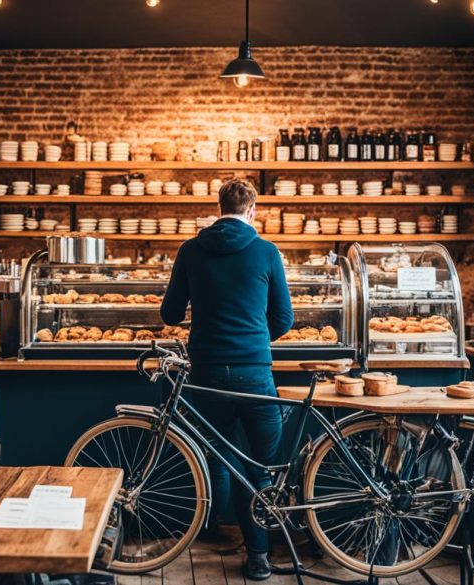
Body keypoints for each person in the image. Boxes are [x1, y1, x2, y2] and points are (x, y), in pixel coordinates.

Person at [160, 178, 293, 581]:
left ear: (218, 207)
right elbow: (283, 319)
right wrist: (252, 339)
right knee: (261, 465)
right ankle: (259, 555)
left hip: (207, 374)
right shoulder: (267, 251)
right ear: (252, 210)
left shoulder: (190, 250)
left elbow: (170, 314)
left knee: (222, 457)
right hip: (256, 374)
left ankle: (214, 527)